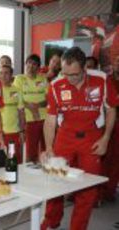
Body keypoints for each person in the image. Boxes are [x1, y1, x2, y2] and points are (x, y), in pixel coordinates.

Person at [41, 47, 118, 230]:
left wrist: (106, 138)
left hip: (91, 139)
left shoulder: (101, 80)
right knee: (55, 181)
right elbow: (50, 121)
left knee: (88, 188)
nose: (69, 79)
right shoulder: (56, 85)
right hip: (64, 137)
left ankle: (78, 227)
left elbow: (111, 109)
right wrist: (49, 147)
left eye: (74, 75)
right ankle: (51, 221)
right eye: (65, 73)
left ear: (84, 69)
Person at [14, 54, 47, 162]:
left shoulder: (43, 79)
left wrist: (38, 105)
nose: (31, 66)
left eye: (34, 64)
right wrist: (31, 107)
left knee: (46, 150)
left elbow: (50, 98)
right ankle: (30, 175)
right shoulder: (19, 79)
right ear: (25, 64)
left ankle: (46, 173)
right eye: (29, 63)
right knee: (31, 152)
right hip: (29, 120)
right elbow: (16, 98)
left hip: (44, 119)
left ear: (38, 67)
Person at [0, 64, 24, 163]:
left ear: (11, 75)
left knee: (14, 161)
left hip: (14, 133)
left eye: (6, 73)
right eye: (1, 73)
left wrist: (22, 131)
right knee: (0, 163)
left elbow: (21, 112)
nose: (3, 76)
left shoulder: (17, 90)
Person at [102, 54, 119, 201]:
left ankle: (110, 191)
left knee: (116, 160)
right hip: (107, 124)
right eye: (117, 61)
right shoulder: (106, 80)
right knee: (105, 158)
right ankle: (102, 191)